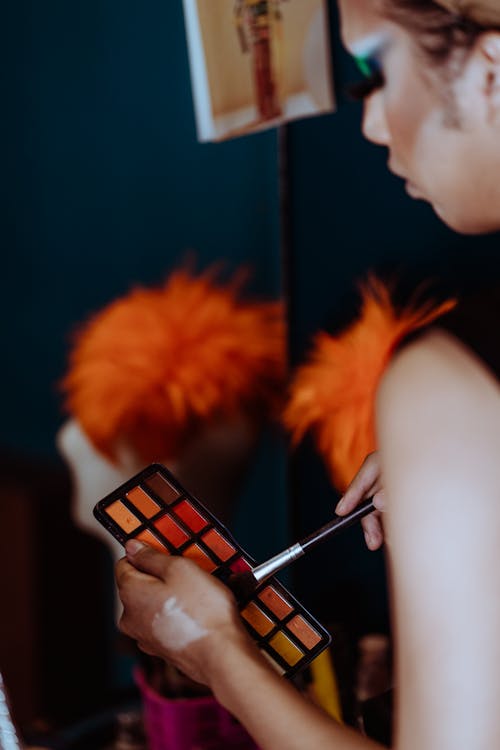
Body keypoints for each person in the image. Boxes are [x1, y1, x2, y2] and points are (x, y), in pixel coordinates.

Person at [115, 1, 500, 748]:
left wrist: (216, 653)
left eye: (375, 70)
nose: (372, 124)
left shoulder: (446, 386)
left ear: (491, 74)